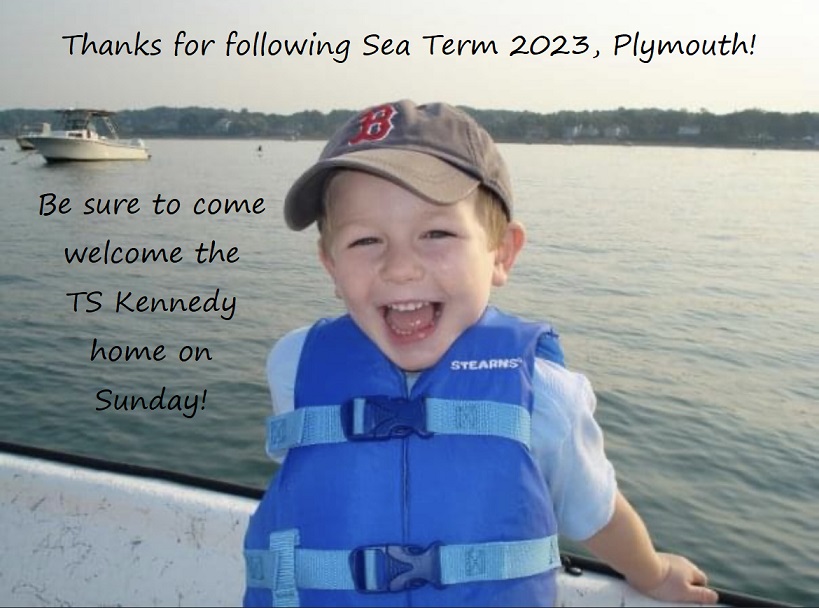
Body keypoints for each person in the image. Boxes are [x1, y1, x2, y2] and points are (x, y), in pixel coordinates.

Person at [243, 100, 718, 607]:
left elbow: (596, 511)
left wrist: (652, 572)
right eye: (365, 241)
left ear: (502, 253)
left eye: (436, 234)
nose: (400, 267)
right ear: (330, 264)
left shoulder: (544, 393)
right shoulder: (293, 364)